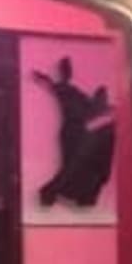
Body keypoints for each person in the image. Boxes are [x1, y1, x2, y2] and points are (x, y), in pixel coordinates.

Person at [31, 52, 120, 209]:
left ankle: (79, 195)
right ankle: (50, 192)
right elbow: (49, 83)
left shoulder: (77, 93)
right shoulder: (64, 89)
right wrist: (41, 78)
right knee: (72, 165)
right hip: (71, 133)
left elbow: (97, 108)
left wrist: (110, 108)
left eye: (69, 69)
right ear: (63, 72)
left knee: (80, 166)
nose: (68, 72)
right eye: (66, 69)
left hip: (80, 133)